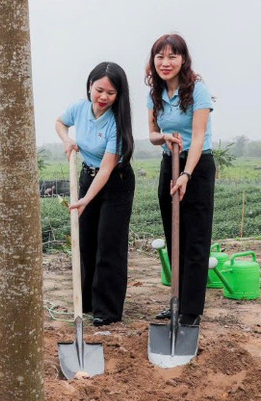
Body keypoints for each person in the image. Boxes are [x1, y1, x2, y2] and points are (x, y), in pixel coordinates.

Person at [56, 62, 136, 326]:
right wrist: (67, 139)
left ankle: (107, 310)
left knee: (108, 245)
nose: (103, 97)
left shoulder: (116, 123)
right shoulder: (79, 108)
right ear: (90, 85)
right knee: (87, 242)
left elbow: (107, 168)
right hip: (87, 176)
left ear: (118, 95)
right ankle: (87, 302)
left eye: (110, 93)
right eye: (99, 90)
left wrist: (86, 200)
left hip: (115, 182)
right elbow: (60, 122)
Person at [146, 34, 215, 326]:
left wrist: (187, 173)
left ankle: (191, 310)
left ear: (183, 59)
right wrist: (163, 137)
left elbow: (198, 137)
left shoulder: (198, 89)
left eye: (172, 56)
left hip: (196, 167)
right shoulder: (155, 93)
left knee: (195, 238)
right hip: (169, 163)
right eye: (160, 57)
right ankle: (177, 298)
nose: (166, 62)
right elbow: (152, 134)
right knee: (175, 235)